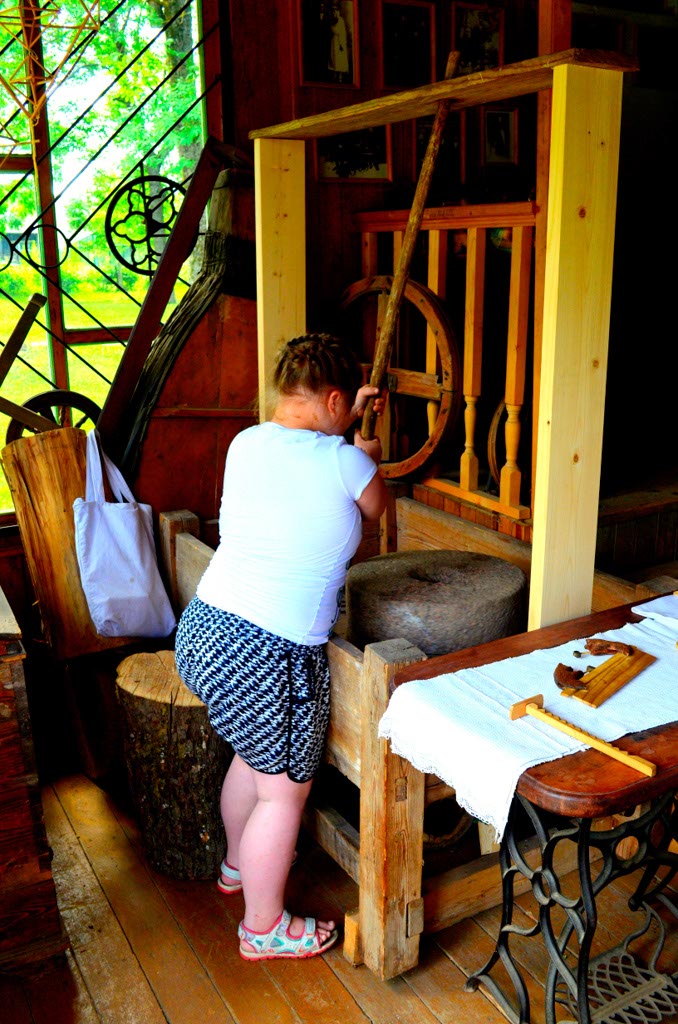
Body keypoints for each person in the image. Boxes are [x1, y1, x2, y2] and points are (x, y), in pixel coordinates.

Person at [175, 333, 386, 961]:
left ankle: (238, 867)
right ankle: (262, 927)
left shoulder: (245, 442)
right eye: (344, 406)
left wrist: (348, 425)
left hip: (206, 631)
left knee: (251, 760)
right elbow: (374, 510)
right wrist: (367, 452)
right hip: (271, 654)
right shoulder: (347, 462)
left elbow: (304, 471)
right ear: (334, 399)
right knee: (283, 792)